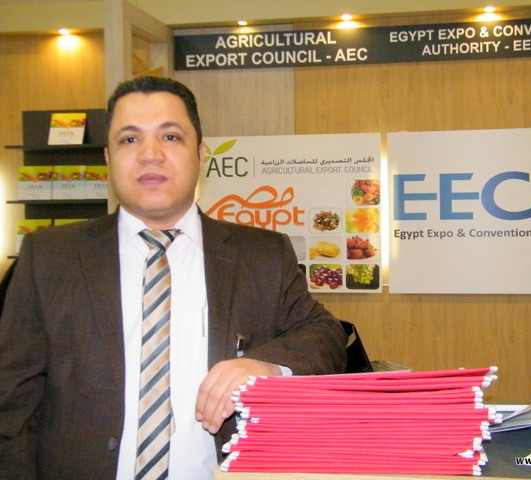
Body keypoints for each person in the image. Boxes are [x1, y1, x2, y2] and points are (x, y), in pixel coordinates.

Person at [0, 76, 348, 479]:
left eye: (170, 136)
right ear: (108, 157)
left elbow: (324, 334)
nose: (150, 154)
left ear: (200, 153)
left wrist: (269, 365)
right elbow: (12, 401)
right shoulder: (49, 257)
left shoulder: (263, 254)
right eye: (130, 139)